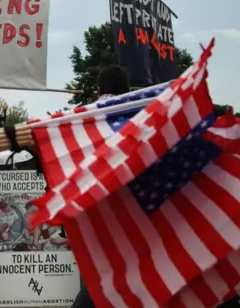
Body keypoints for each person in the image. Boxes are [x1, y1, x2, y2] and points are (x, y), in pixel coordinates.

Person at [71, 64, 131, 308]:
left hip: (94, 212)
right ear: (126, 88)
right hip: (131, 208)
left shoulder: (82, 117)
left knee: (95, 281)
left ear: (99, 88)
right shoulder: (137, 113)